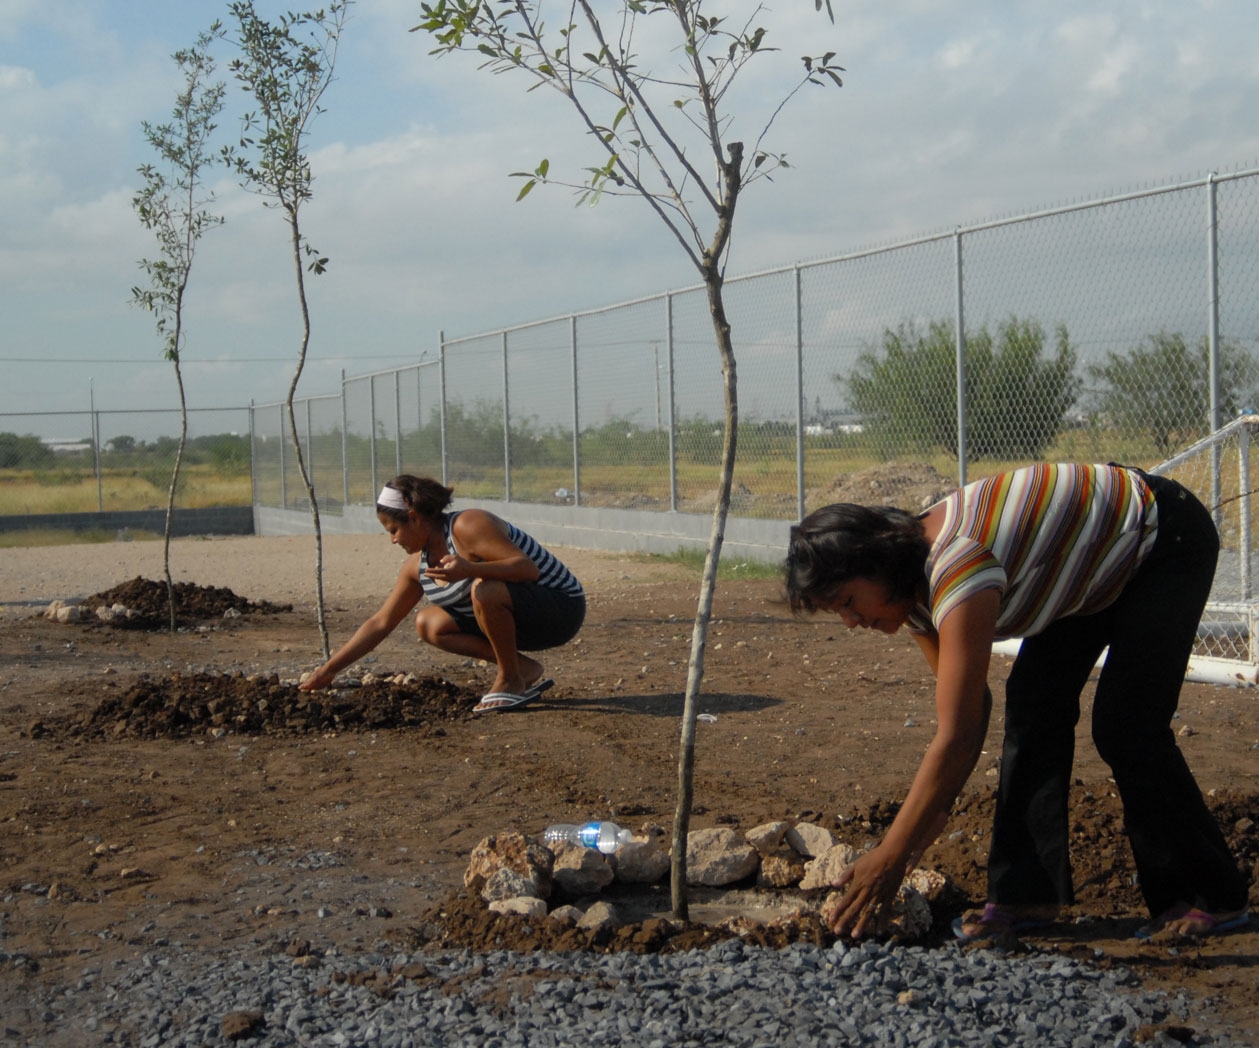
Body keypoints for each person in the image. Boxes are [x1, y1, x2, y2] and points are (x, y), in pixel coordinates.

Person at [784, 462, 1249, 941]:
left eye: (848, 601)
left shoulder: (956, 567)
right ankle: (1025, 896)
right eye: (837, 611)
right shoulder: (911, 592)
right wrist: (927, 821)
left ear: (876, 563)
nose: (851, 622)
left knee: (1127, 724)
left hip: (1159, 535)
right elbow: (970, 708)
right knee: (1032, 705)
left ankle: (1211, 897)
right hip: (1086, 560)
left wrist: (892, 854)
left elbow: (959, 735)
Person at [300, 474, 586, 713]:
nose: (393, 540)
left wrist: (470, 568)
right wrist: (329, 670)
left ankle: (510, 680)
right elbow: (381, 622)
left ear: (414, 518)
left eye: (394, 529)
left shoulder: (468, 525)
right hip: (521, 625)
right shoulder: (416, 567)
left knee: (484, 589)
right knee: (428, 623)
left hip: (561, 609)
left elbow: (527, 569)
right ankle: (521, 668)